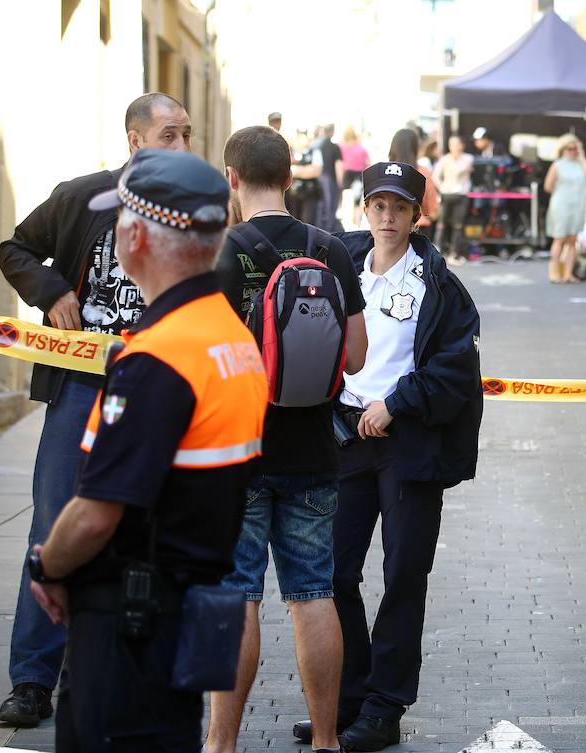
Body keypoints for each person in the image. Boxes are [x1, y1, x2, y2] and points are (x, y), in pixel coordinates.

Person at [27, 148, 267, 751]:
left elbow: (96, 512)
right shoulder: (232, 341)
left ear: (136, 238)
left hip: (130, 625)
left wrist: (48, 567)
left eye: (121, 220)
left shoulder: (160, 358)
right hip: (189, 606)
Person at [0, 91, 191, 728]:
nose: (182, 146)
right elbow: (15, 249)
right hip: (79, 388)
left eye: (187, 135)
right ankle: (32, 679)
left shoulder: (190, 213)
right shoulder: (83, 198)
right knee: (54, 527)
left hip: (153, 395)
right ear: (136, 141)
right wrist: (52, 292)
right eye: (169, 134)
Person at [290, 162, 482, 751]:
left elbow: (456, 369)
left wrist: (396, 404)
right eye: (379, 206)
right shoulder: (339, 267)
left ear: (417, 214)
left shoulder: (439, 285)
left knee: (402, 574)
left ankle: (384, 707)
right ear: (365, 209)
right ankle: (349, 697)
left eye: (400, 207)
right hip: (346, 441)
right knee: (333, 573)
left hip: (409, 447)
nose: (388, 217)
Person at [205, 126, 370, 753]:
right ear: (289, 177)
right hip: (315, 451)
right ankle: (327, 741)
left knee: (237, 597)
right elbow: (355, 357)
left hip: (239, 452)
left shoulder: (219, 252)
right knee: (313, 594)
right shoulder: (331, 250)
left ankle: (221, 743)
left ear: (232, 178)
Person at [544, 134, 586, 284]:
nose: (572, 151)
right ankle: (554, 273)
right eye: (569, 148)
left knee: (573, 240)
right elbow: (548, 186)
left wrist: (582, 157)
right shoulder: (557, 165)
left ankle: (568, 273)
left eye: (575, 148)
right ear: (563, 149)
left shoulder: (580, 165)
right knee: (559, 239)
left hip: (577, 205)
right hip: (562, 205)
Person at [388, 129, 439, 238]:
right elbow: (433, 210)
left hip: (389, 229)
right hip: (418, 229)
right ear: (415, 148)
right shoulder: (422, 172)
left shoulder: (384, 173)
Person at [432, 135, 473, 264]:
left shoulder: (468, 158)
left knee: (458, 225)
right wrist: (442, 187)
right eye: (451, 144)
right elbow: (435, 176)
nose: (454, 147)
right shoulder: (444, 159)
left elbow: (460, 171)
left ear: (462, 145)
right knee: (442, 223)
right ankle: (436, 252)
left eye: (456, 144)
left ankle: (454, 254)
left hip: (461, 194)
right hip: (447, 193)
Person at [288, 130, 324, 225]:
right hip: (293, 194)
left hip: (310, 192)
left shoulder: (314, 152)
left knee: (308, 221)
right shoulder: (291, 152)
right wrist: (305, 170)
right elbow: (289, 170)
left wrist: (297, 171)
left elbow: (315, 171)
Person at [315, 124, 345, 232]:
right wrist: (340, 183)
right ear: (332, 131)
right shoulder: (334, 147)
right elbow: (338, 165)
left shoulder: (317, 145)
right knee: (331, 208)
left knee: (321, 208)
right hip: (331, 179)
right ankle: (329, 233)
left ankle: (320, 231)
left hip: (319, 179)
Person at [341, 126, 370, 227]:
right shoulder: (361, 148)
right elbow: (368, 163)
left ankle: (347, 220)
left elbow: (340, 163)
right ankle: (357, 222)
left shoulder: (342, 147)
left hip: (347, 174)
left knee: (346, 197)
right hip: (359, 174)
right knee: (358, 200)